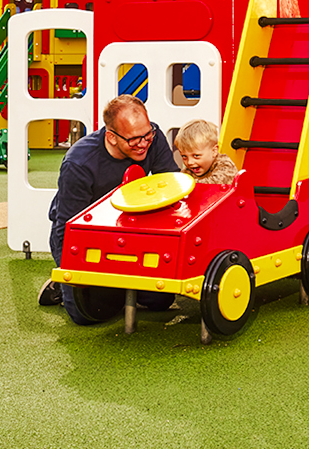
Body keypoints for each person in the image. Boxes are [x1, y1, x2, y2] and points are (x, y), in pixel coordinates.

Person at [37, 94, 177, 313]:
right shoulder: (79, 163)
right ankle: (63, 287)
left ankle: (118, 287)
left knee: (160, 301)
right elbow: (65, 226)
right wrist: (68, 270)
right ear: (112, 137)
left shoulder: (152, 138)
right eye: (134, 139)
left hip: (129, 226)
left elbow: (171, 185)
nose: (143, 144)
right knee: (93, 313)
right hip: (86, 232)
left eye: (147, 134)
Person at [174, 118, 238, 185]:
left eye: (196, 156)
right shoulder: (188, 171)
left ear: (214, 151)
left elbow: (212, 185)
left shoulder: (225, 166)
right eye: (184, 156)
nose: (190, 162)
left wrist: (185, 184)